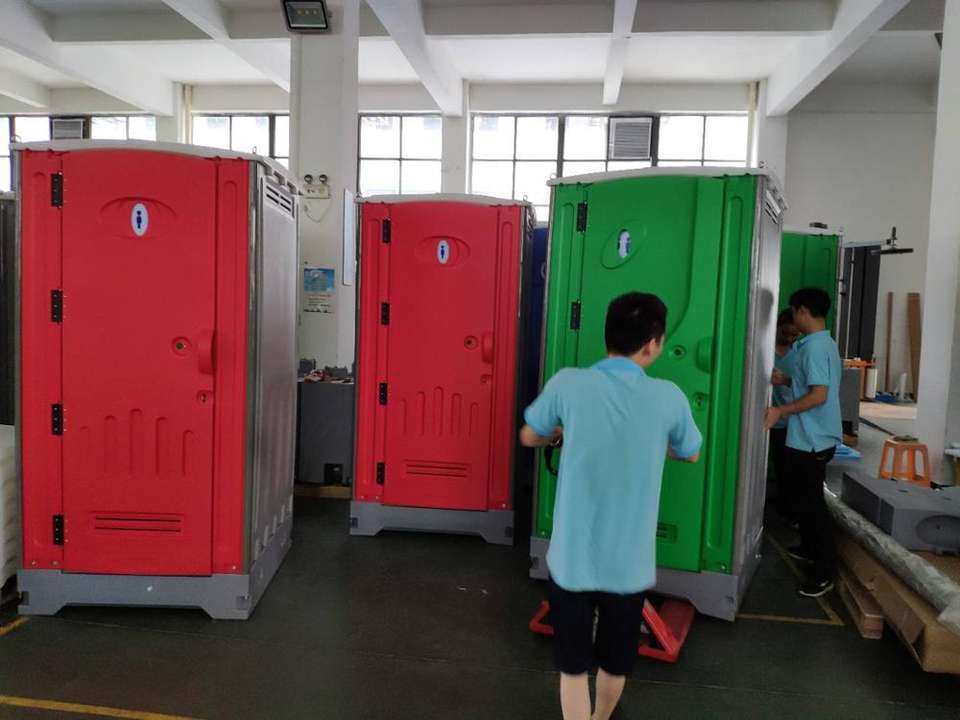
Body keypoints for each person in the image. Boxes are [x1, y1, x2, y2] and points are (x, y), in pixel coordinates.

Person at [520, 292, 702, 720]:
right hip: (628, 565)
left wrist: (559, 434)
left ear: (608, 336)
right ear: (653, 343)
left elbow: (529, 435)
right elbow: (691, 452)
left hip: (572, 559)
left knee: (572, 666)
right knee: (615, 661)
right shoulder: (669, 397)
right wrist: (653, 442)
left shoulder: (568, 383)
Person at [765, 287, 842, 598]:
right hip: (808, 437)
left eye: (795, 311)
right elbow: (812, 384)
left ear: (803, 311)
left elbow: (819, 395)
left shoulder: (814, 348)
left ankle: (824, 572)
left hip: (813, 438)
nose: (793, 318)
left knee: (812, 506)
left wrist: (780, 410)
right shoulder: (820, 343)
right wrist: (785, 380)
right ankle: (809, 548)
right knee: (803, 500)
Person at [770, 309, 800, 522]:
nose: (789, 338)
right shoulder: (764, 351)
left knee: (787, 471)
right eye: (786, 333)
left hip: (790, 422)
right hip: (767, 420)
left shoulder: (799, 355)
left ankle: (787, 512)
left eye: (794, 335)